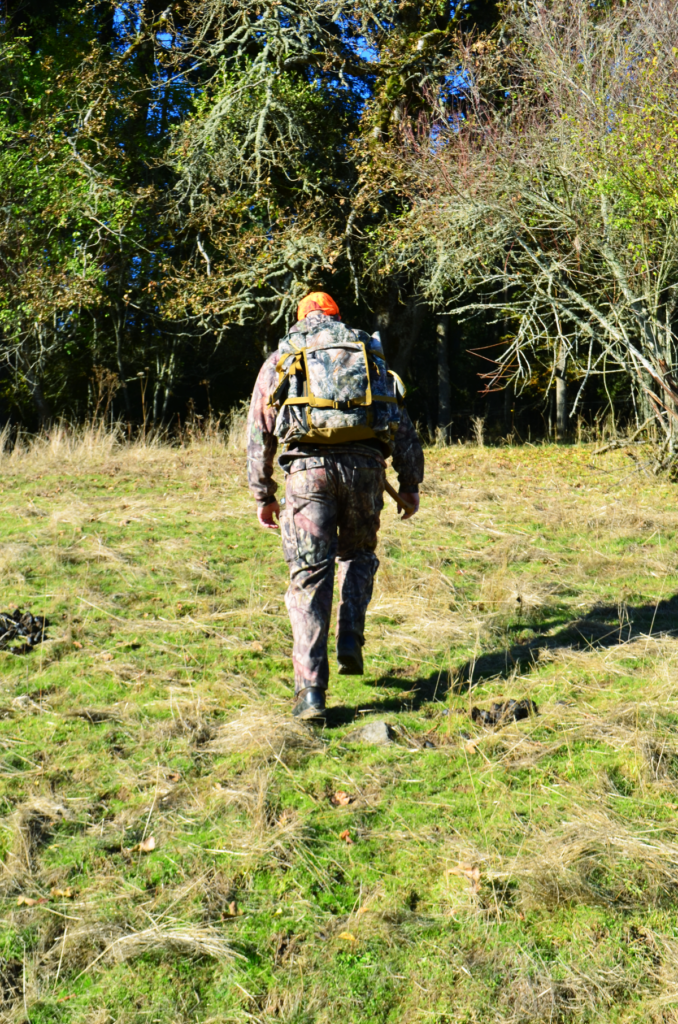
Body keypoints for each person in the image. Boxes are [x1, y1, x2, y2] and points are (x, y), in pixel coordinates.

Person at [246, 291, 425, 720]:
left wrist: (263, 494)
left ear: (300, 318)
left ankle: (311, 693)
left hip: (308, 475)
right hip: (366, 471)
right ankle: (350, 636)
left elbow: (259, 433)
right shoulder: (368, 353)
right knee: (359, 555)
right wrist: (410, 483)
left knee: (310, 576)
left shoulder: (283, 357)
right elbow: (401, 424)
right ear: (337, 317)